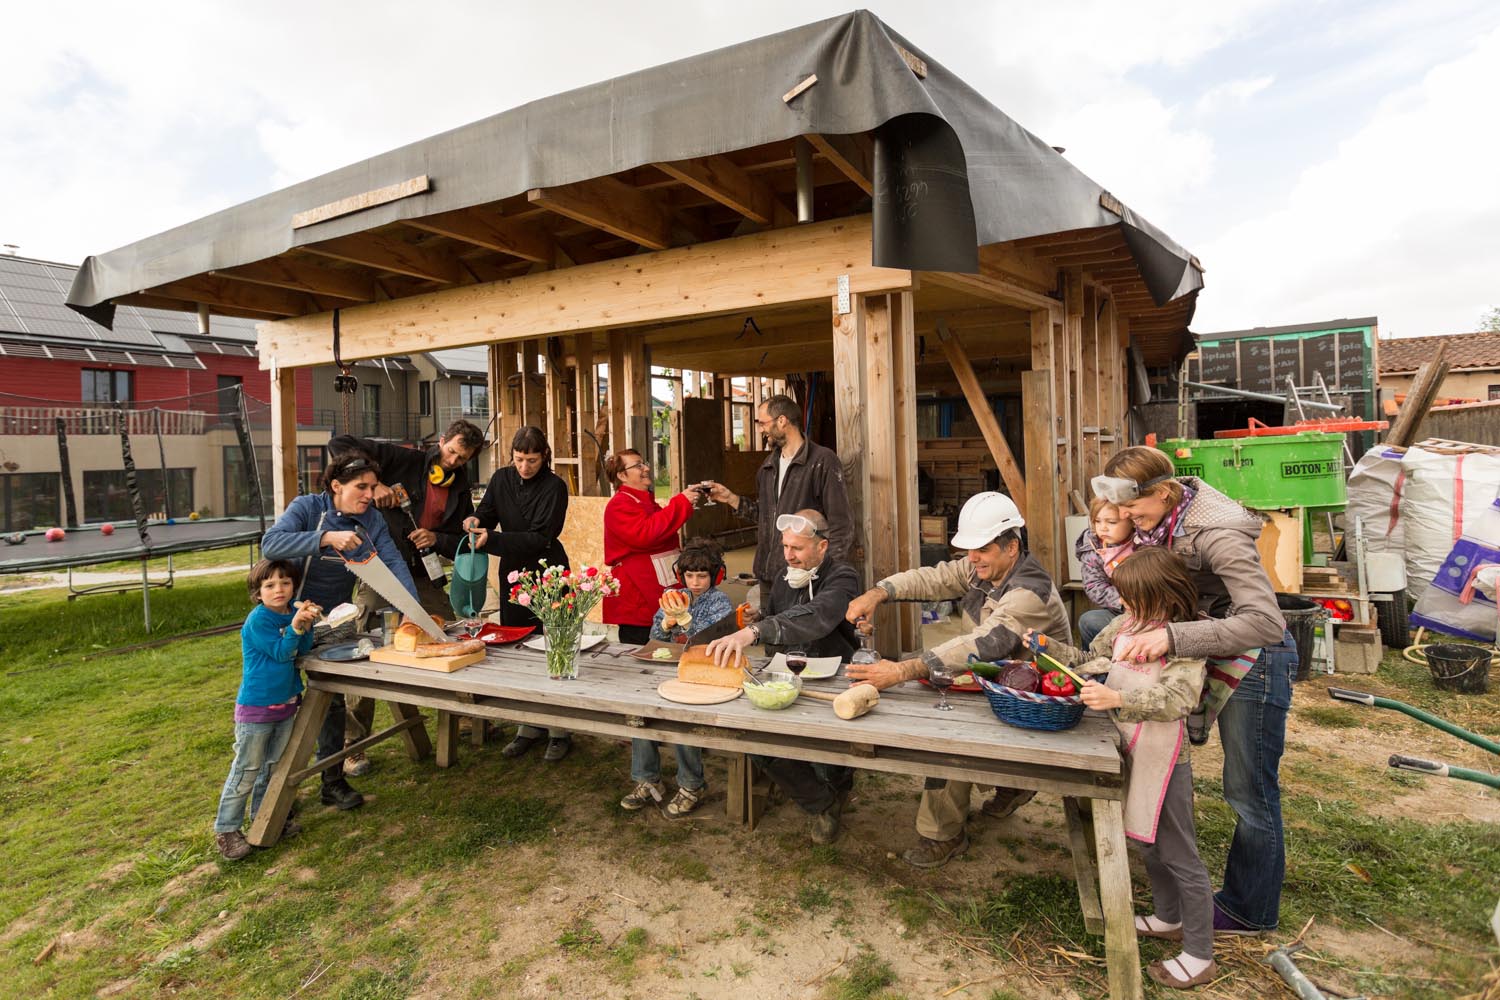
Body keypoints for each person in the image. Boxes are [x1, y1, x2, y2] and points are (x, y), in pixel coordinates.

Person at [1096, 445, 1294, 936]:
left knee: (1248, 791)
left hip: (1255, 660)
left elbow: (1265, 622)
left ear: (1164, 493)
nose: (1124, 519)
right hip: (1210, 646)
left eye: (1132, 508)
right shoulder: (1160, 522)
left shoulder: (1220, 533)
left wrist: (1172, 636)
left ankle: (1251, 910)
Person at [843, 491, 1070, 868]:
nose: (972, 557)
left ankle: (941, 834)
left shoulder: (1030, 592)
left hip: (1038, 702)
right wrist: (878, 593)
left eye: (981, 548)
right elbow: (934, 578)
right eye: (969, 549)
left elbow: (982, 643)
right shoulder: (985, 568)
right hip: (998, 684)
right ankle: (1013, 785)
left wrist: (901, 670)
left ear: (1011, 547)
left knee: (947, 740)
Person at [1026, 547, 1219, 990]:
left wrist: (1120, 699)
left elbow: (1180, 699)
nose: (1124, 605)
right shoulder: (1126, 624)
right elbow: (1088, 658)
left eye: (1132, 597)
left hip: (1164, 757)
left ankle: (1200, 953)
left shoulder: (1185, 638)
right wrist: (1046, 648)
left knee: (1179, 852)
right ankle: (1168, 917)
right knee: (1149, 843)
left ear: (1162, 595)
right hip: (1131, 744)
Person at [262, 452, 419, 812]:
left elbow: (392, 561)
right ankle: (269, 795)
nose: (368, 494)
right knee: (276, 707)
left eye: (372, 487)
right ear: (336, 486)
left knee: (330, 702)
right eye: (360, 487)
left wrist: (414, 611)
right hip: (287, 621)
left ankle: (331, 780)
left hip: (334, 624)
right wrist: (326, 537)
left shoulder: (372, 519)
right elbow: (270, 544)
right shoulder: (306, 507)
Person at [329, 418, 484, 776]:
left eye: (462, 459)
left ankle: (462, 716)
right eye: (451, 453)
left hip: (424, 573)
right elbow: (340, 444)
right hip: (381, 569)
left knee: (456, 634)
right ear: (441, 441)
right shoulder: (402, 459)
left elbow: (454, 535)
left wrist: (436, 538)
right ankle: (354, 744)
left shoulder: (460, 487)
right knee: (363, 646)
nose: (453, 463)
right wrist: (377, 483)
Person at [705, 509, 863, 844]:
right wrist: (759, 616)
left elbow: (816, 616)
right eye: (785, 546)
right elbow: (781, 617)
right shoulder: (783, 576)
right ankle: (822, 802)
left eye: (798, 548)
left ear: (822, 547)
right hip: (787, 672)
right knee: (753, 737)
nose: (788, 555)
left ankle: (835, 784)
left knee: (825, 750)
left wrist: (754, 632)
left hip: (833, 674)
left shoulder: (843, 577)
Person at [465, 426, 572, 762]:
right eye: (520, 459)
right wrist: (475, 519)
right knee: (518, 648)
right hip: (511, 572)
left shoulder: (555, 487)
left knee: (554, 650)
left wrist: (491, 540)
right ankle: (528, 725)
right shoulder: (500, 479)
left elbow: (541, 536)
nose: (525, 466)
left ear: (545, 458)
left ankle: (559, 729)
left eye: (533, 460)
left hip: (547, 571)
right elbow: (488, 514)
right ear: (511, 456)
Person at [213, 559, 320, 860]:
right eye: (270, 585)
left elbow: (303, 649)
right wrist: (296, 627)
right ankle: (227, 829)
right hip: (257, 709)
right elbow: (282, 652)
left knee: (272, 767)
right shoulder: (258, 620)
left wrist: (306, 624)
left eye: (285, 583)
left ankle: (265, 819)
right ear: (258, 593)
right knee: (247, 769)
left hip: (286, 705)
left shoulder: (290, 614)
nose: (279, 590)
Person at [620, 539, 734, 818]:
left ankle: (691, 785)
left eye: (702, 576)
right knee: (641, 714)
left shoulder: (721, 601)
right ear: (681, 576)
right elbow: (654, 640)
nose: (695, 582)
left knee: (684, 720)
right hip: (669, 669)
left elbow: (711, 641)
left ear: (715, 575)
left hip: (704, 673)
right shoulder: (672, 596)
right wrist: (665, 623)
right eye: (690, 576)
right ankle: (647, 778)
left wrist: (685, 621)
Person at [705, 394, 852, 596]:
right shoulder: (767, 467)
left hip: (804, 577)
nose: (761, 429)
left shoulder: (823, 462)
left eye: (763, 423)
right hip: (769, 577)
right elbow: (766, 517)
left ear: (781, 421)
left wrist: (828, 575)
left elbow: (840, 526)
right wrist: (731, 498)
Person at [602, 448, 699, 646]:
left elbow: (661, 528)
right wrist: (681, 503)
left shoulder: (643, 501)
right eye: (638, 465)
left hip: (655, 592)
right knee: (641, 651)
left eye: (643, 462)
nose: (646, 468)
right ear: (622, 476)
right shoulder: (619, 505)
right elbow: (646, 534)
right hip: (637, 599)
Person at [1075, 494, 1135, 649]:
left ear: (1132, 521)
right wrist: (1121, 601)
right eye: (1097, 521)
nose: (1103, 527)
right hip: (1120, 611)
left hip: (1151, 611)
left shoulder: (1144, 543)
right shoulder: (1093, 550)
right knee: (1088, 621)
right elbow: (1094, 585)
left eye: (1112, 522)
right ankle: (1095, 664)